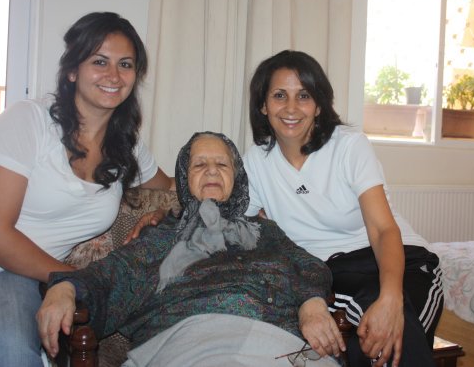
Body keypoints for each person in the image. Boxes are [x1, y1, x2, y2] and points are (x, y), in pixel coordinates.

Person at [0, 11, 173, 367]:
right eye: (99, 61)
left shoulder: (126, 148)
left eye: (125, 64)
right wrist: (75, 279)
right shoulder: (29, 120)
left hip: (13, 276)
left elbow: (174, 188)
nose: (114, 75)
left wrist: (167, 210)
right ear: (72, 71)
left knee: (11, 358)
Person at [37, 132, 345, 367]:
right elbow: (110, 275)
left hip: (280, 345)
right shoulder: (162, 236)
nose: (211, 171)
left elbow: (310, 265)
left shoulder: (266, 232)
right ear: (184, 179)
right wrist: (66, 287)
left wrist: (311, 302)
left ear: (236, 177)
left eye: (222, 164)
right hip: (190, 345)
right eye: (199, 165)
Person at [244, 50, 444, 367]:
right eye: (279, 95)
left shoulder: (349, 145)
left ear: (319, 105)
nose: (291, 107)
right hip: (330, 275)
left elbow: (382, 230)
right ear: (263, 105)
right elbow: (232, 221)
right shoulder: (256, 161)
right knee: (363, 337)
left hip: (398, 263)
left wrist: (391, 298)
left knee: (388, 336)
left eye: (304, 96)